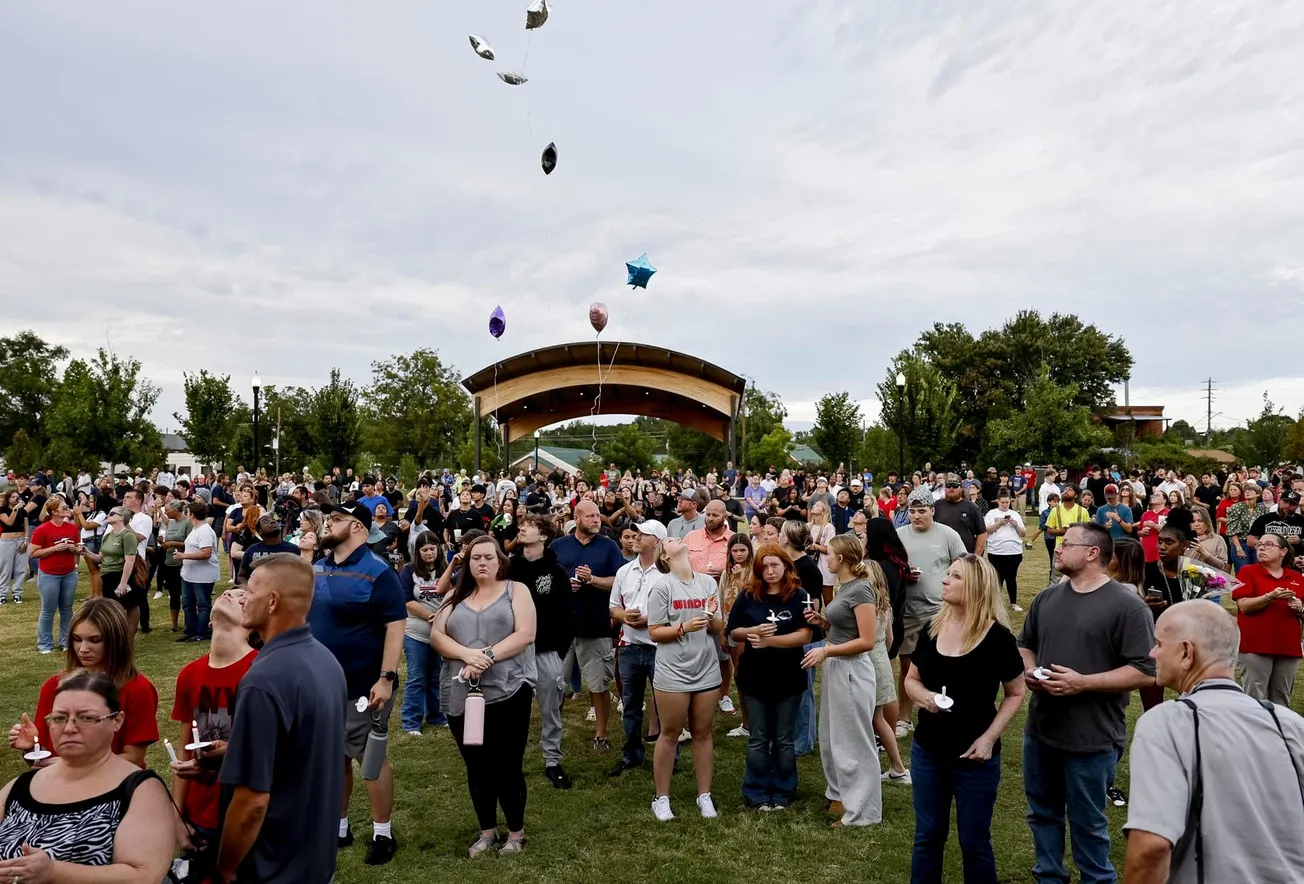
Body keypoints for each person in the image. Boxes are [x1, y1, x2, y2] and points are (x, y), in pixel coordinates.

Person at [1123, 601, 1304, 883]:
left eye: (1158, 643)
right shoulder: (1290, 724)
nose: (1151, 652)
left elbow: (1151, 848)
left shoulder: (1166, 723)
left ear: (1186, 653)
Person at [1018, 522, 1157, 884]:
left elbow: (1146, 670)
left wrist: (1083, 683)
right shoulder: (1047, 597)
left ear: (1093, 553)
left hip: (1092, 738)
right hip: (1041, 731)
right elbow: (1025, 644)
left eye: (1066, 544)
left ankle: (1097, 879)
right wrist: (1031, 670)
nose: (1058, 549)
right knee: (1042, 814)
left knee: (1088, 822)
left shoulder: (1128, 607)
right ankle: (1049, 877)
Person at [218, 553, 347, 884]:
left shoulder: (264, 679)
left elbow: (252, 803)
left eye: (251, 589)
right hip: (315, 861)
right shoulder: (327, 661)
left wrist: (226, 867)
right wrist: (233, 754)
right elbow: (302, 750)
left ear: (272, 601)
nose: (243, 596)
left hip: (273, 867)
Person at [905, 554, 1026, 884]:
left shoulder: (998, 638)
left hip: (975, 758)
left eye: (955, 576)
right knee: (928, 838)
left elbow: (1016, 692)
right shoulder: (933, 627)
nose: (945, 580)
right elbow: (911, 680)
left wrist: (988, 738)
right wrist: (925, 698)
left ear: (975, 586)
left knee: (974, 843)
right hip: (928, 751)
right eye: (947, 574)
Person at [0, 671, 174, 881]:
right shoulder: (20, 787)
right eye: (59, 718)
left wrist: (54, 872)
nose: (70, 728)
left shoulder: (140, 790)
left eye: (86, 718)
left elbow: (143, 876)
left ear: (117, 721)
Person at [310, 501, 406, 865]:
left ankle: (383, 834)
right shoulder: (318, 566)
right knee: (333, 759)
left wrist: (385, 678)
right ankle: (339, 827)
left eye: (336, 519)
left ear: (358, 529)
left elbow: (396, 626)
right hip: (322, 686)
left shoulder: (378, 571)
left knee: (370, 759)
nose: (328, 524)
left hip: (365, 686)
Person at [429, 535, 537, 856]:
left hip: (509, 691)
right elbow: (436, 635)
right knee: (477, 765)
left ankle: (516, 833)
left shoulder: (516, 591)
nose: (483, 563)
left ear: (500, 560)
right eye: (476, 558)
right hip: (462, 692)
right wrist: (467, 655)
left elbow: (526, 634)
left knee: (507, 765)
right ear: (468, 562)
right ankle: (487, 831)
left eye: (489, 557)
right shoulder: (454, 595)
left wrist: (486, 655)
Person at [7, 598, 159, 768]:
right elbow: (41, 757)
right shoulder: (54, 686)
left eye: (95, 640)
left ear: (116, 641)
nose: (83, 648)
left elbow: (134, 757)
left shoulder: (137, 688)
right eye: (77, 639)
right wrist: (30, 748)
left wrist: (71, 764)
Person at [170, 587, 257, 878]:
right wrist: (177, 816)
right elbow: (184, 751)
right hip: (199, 809)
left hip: (243, 809)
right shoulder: (190, 674)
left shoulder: (259, 669)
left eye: (242, 598)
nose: (229, 595)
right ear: (209, 621)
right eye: (227, 592)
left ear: (253, 623)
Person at [801, 535, 883, 827]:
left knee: (854, 741)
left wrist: (826, 650)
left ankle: (863, 811)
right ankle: (841, 795)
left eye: (830, 553)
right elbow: (844, 627)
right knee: (833, 736)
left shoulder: (861, 590)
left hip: (852, 670)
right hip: (838, 667)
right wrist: (822, 623)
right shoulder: (846, 586)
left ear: (842, 559)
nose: (826, 557)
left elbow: (867, 641)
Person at [725, 542, 814, 809]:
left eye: (775, 565)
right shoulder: (749, 595)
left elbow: (805, 634)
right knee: (759, 737)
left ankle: (784, 789)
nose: (770, 571)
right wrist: (753, 631)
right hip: (755, 675)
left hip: (788, 675)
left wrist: (771, 641)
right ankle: (756, 790)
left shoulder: (799, 596)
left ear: (787, 566)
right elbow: (733, 631)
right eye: (764, 567)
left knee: (784, 738)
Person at [647, 537, 723, 821]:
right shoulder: (661, 586)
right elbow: (654, 632)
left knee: (703, 733)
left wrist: (713, 616)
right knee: (670, 734)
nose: (676, 538)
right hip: (673, 671)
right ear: (665, 556)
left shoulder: (707, 583)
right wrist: (683, 627)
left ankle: (704, 795)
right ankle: (661, 797)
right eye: (669, 540)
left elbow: (717, 628)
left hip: (706, 668)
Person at [551, 500, 625, 751]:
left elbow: (619, 581)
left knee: (598, 683)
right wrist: (563, 586)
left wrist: (592, 580)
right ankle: (552, 733)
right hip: (560, 627)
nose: (596, 519)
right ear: (577, 518)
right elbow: (544, 580)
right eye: (591, 516)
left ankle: (601, 735)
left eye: (598, 515)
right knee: (553, 683)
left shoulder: (608, 546)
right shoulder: (558, 546)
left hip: (595, 624)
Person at [509, 515, 575, 789]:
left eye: (529, 526)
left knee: (551, 710)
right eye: (521, 525)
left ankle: (552, 761)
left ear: (544, 535)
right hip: (512, 652)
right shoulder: (509, 567)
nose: (522, 529)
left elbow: (566, 615)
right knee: (512, 711)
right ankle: (511, 764)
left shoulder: (556, 571)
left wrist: (558, 652)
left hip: (547, 651)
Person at [896, 489, 968, 737]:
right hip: (908, 611)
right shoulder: (899, 535)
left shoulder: (947, 535)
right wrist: (905, 574)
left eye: (922, 511)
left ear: (932, 511)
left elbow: (964, 568)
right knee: (907, 666)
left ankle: (945, 708)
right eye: (912, 511)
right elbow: (891, 569)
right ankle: (904, 719)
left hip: (939, 611)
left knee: (941, 664)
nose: (916, 516)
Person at [608, 519, 669, 777]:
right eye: (635, 534)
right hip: (630, 646)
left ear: (656, 541)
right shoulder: (625, 571)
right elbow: (613, 606)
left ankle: (669, 757)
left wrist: (648, 620)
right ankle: (632, 754)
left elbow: (675, 611)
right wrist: (624, 617)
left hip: (660, 648)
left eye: (642, 534)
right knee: (630, 704)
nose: (636, 538)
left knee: (666, 705)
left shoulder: (668, 573)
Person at [1232, 533, 1304, 707]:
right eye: (1259, 545)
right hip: (1255, 646)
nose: (1262, 548)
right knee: (1254, 700)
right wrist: (1270, 597)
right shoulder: (1247, 572)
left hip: (1288, 647)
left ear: (1283, 551)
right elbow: (1244, 606)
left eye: (1269, 544)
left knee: (1282, 700)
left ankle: (1278, 733)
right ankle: (1252, 734)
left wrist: (1300, 608)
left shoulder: (1296, 578)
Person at [400, 532, 448, 736]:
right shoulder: (409, 570)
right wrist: (431, 615)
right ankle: (411, 721)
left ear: (439, 549)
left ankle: (437, 716)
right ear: (417, 552)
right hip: (415, 631)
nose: (429, 553)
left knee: (436, 675)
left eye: (432, 548)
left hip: (440, 633)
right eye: (424, 550)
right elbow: (405, 600)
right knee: (417, 676)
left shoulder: (446, 569)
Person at [27, 497, 82, 654]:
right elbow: (33, 553)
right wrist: (54, 549)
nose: (67, 509)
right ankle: (45, 644)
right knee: (48, 610)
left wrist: (74, 549)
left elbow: (78, 547)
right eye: (64, 507)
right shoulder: (42, 530)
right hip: (49, 575)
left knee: (67, 609)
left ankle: (66, 642)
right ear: (54, 511)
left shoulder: (71, 528)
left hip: (69, 573)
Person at [177, 499, 220, 643]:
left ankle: (202, 632)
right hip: (189, 574)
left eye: (187, 512)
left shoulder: (205, 531)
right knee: (188, 603)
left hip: (202, 575)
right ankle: (190, 630)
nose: (186, 515)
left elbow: (205, 553)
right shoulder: (195, 530)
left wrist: (184, 556)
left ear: (192, 515)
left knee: (202, 604)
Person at [983, 490, 1026, 612]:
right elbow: (987, 529)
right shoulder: (991, 513)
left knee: (1011, 577)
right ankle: (995, 604)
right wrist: (1000, 523)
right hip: (996, 551)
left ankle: (1013, 603)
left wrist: (1016, 525)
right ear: (998, 501)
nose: (1005, 504)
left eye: (1007, 502)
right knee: (997, 578)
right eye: (1002, 502)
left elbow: (1023, 533)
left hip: (1014, 551)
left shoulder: (1015, 514)